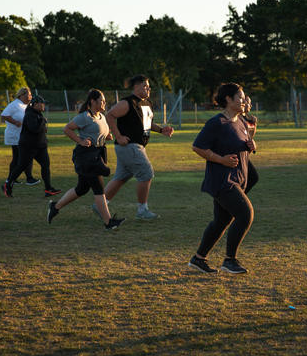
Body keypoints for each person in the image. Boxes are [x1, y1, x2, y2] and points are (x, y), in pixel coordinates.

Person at [188, 83, 256, 274]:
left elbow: (242, 142)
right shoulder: (216, 123)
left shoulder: (240, 121)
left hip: (237, 179)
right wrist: (221, 160)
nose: (244, 101)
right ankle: (230, 260)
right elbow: (198, 147)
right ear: (228, 99)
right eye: (240, 98)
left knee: (221, 222)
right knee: (245, 214)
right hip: (222, 181)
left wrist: (251, 143)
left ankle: (198, 259)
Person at [46, 89, 125, 230]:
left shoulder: (101, 116)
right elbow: (67, 129)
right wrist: (80, 140)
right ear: (92, 101)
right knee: (98, 188)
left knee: (82, 189)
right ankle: (108, 222)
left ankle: (55, 206)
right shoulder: (85, 116)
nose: (104, 103)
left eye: (105, 101)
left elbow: (100, 132)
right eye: (101, 100)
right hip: (86, 156)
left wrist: (106, 136)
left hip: (96, 154)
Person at [102, 74, 174, 219]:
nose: (148, 88)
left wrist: (161, 130)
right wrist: (119, 136)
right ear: (136, 86)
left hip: (137, 146)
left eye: (149, 86)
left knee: (121, 177)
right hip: (130, 146)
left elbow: (146, 124)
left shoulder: (146, 103)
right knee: (146, 173)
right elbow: (109, 115)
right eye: (145, 86)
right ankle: (142, 210)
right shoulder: (127, 102)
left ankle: (100, 205)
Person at [2, 95, 61, 198]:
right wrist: (43, 121)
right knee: (21, 166)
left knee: (45, 165)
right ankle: (8, 185)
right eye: (41, 103)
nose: (43, 105)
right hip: (28, 146)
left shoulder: (38, 114)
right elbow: (34, 128)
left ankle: (48, 189)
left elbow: (39, 129)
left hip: (40, 146)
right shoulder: (30, 114)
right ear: (35, 105)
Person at [1, 87, 39, 186]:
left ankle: (12, 179)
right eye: (29, 94)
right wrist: (15, 122)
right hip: (15, 136)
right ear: (22, 95)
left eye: (31, 94)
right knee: (22, 157)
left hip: (24, 136)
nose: (31, 96)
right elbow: (4, 115)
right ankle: (28, 178)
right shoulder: (15, 104)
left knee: (20, 157)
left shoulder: (26, 105)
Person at [242, 95, 259, 194]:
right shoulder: (238, 118)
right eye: (249, 102)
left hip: (244, 154)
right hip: (237, 155)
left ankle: (238, 198)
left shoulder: (247, 118)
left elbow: (250, 137)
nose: (250, 105)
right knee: (253, 177)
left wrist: (254, 125)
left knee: (252, 177)